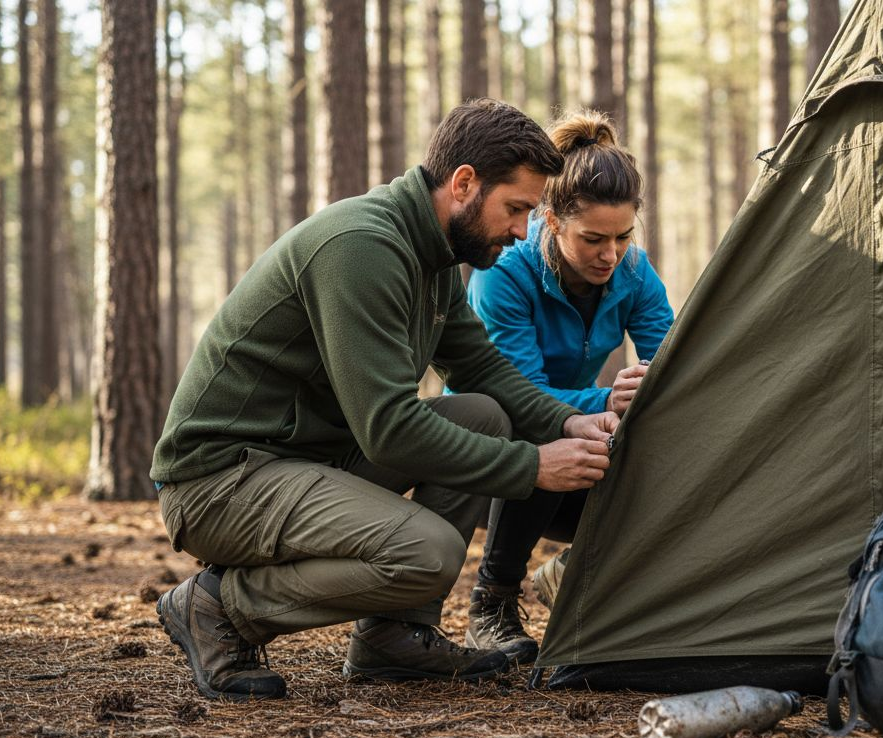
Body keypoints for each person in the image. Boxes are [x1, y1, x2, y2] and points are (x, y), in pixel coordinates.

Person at [150, 99, 620, 702]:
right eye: (516, 209)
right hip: (220, 481)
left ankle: (394, 638)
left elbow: (479, 368)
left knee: (483, 414)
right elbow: (389, 431)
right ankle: (219, 608)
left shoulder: (434, 254)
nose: (522, 231)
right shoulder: (362, 248)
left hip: (301, 460)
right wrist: (534, 466)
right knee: (427, 552)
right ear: (464, 184)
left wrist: (570, 421)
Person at [463, 111, 674, 662]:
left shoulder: (633, 271)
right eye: (594, 239)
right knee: (541, 433)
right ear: (551, 221)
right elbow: (516, 390)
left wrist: (658, 383)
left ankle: (573, 577)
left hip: (577, 453)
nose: (610, 254)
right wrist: (608, 400)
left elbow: (674, 360)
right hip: (485, 461)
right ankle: (492, 600)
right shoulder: (505, 270)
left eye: (623, 237)